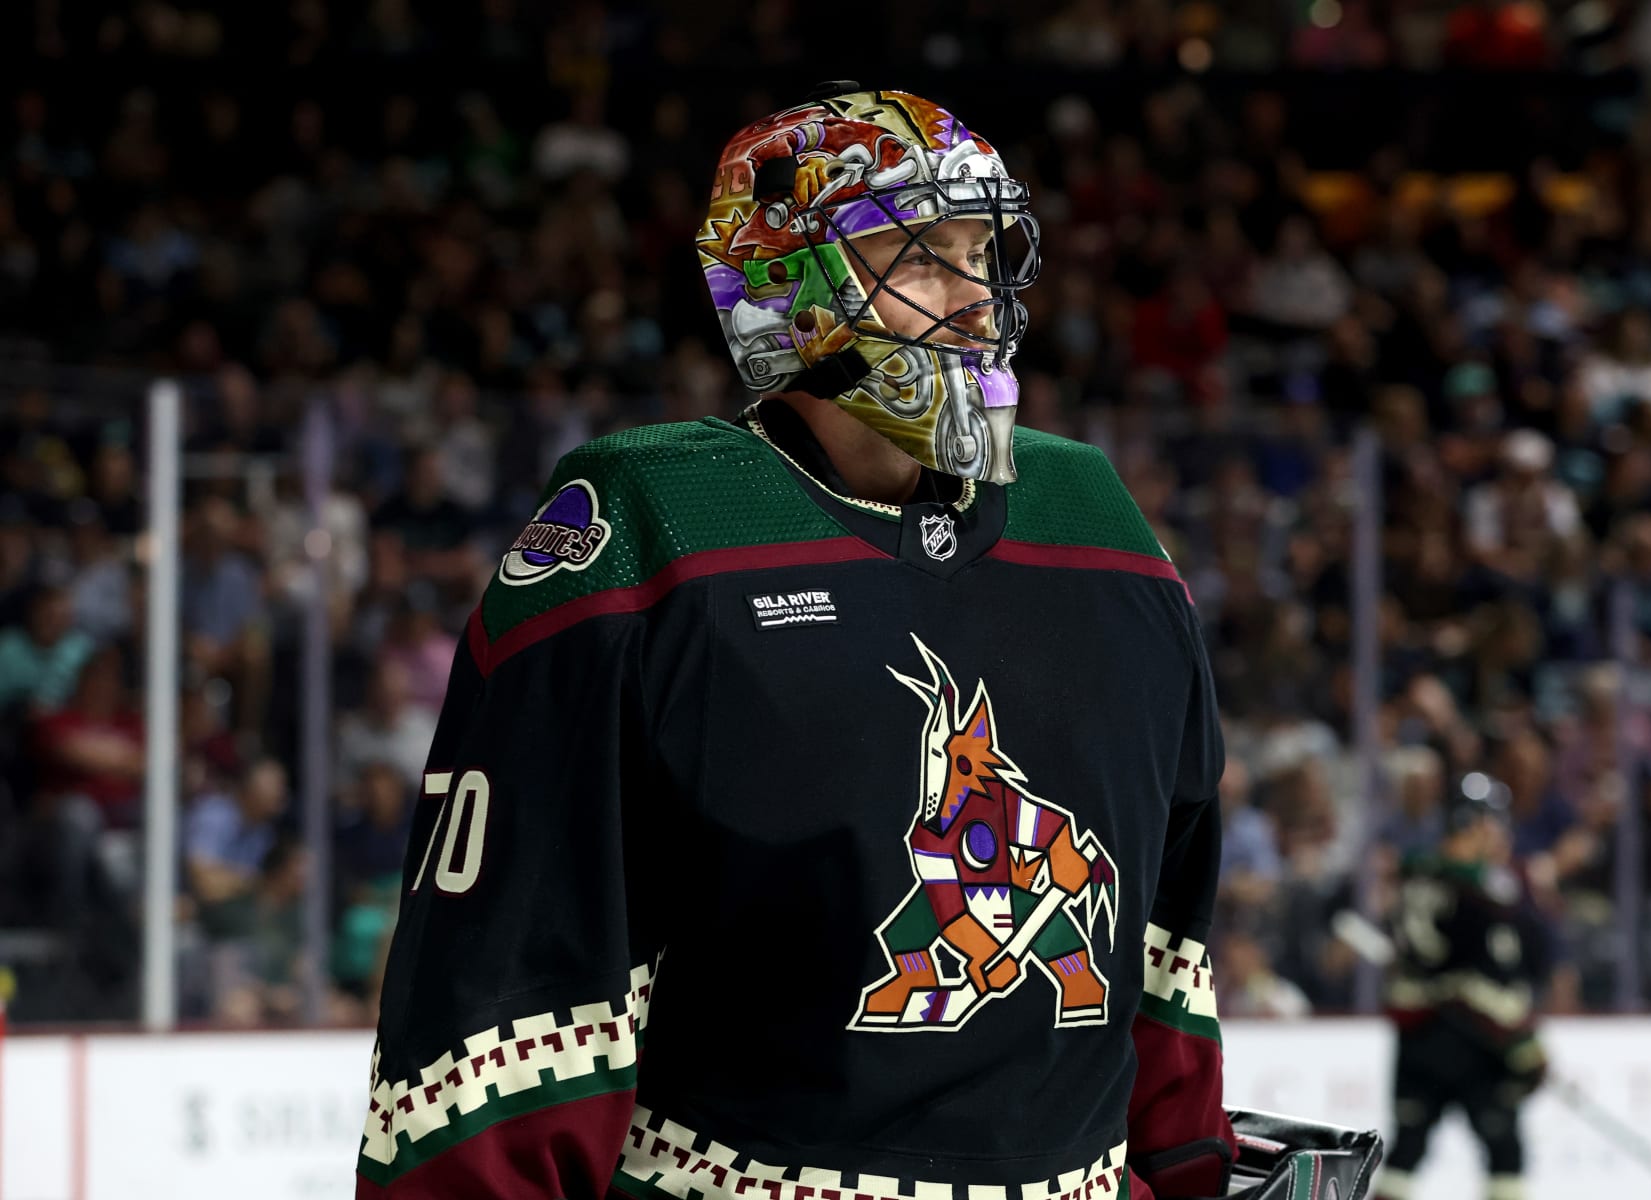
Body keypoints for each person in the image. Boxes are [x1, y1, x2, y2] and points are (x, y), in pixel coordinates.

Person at [357, 83, 1377, 1200]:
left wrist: (1185, 1173)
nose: (974, 299)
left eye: (983, 253)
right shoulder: (648, 524)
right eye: (920, 255)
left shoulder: (1097, 522)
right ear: (788, 285)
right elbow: (509, 985)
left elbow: (1163, 949)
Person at [1374, 772, 1551, 1200]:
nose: (1503, 834)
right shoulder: (1482, 887)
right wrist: (1525, 1043)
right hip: (1473, 1039)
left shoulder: (1415, 874)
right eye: (1496, 823)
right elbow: (1486, 979)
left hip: (1417, 1036)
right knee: (1504, 1151)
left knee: (1408, 1150)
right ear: (1475, 823)